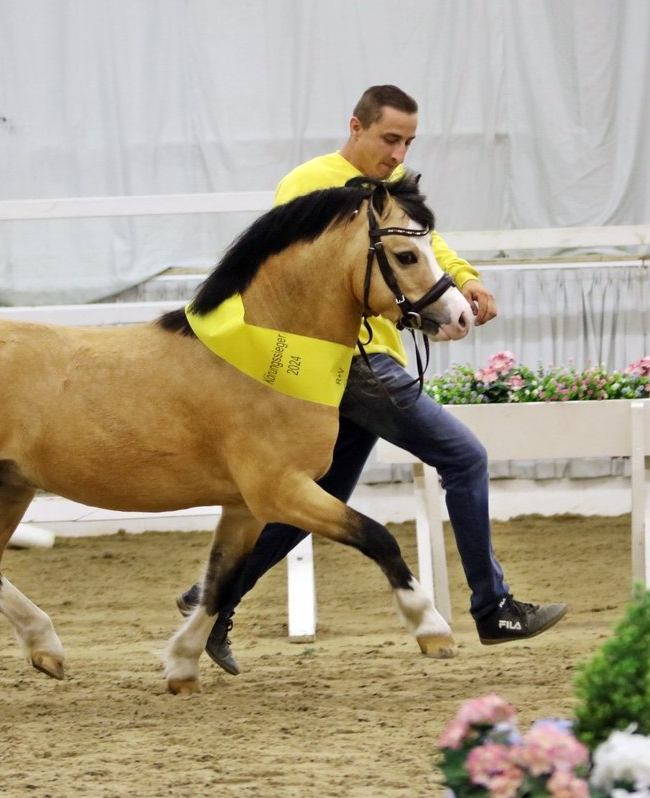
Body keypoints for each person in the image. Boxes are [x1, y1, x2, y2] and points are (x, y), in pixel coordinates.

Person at [178, 85, 567, 675]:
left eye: (408, 141)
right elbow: (291, 278)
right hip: (350, 363)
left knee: (318, 501)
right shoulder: (311, 184)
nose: (398, 152)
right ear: (355, 126)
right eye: (390, 138)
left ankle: (210, 599)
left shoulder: (394, 187)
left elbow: (424, 243)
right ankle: (494, 607)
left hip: (370, 358)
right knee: (464, 457)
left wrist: (465, 280)